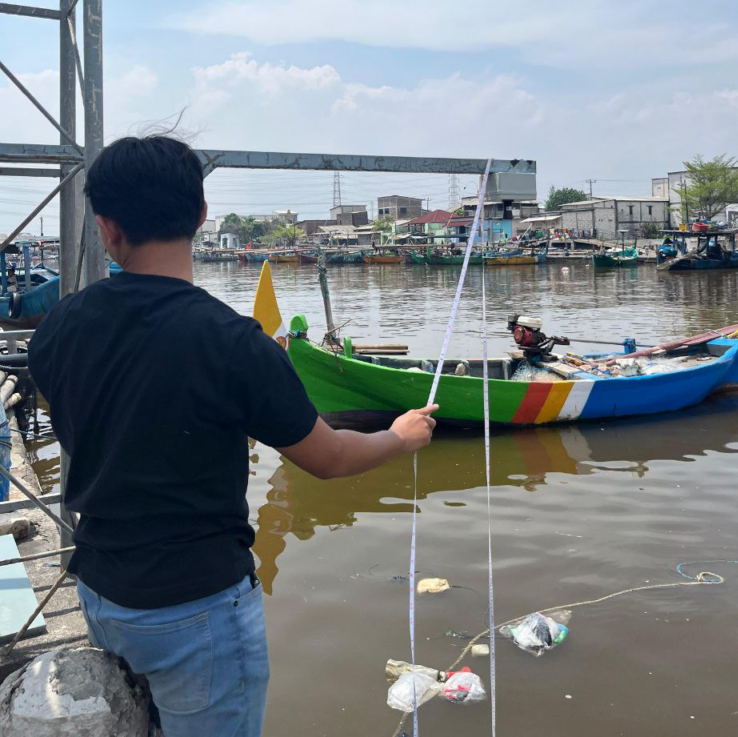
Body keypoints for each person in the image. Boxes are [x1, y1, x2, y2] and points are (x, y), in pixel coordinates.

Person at [28, 135, 438, 737]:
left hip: (101, 592)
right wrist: (399, 437)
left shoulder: (58, 326)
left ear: (106, 227)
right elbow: (327, 457)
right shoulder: (233, 343)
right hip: (198, 611)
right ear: (200, 215)